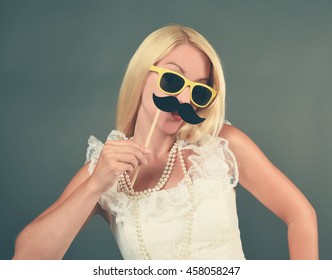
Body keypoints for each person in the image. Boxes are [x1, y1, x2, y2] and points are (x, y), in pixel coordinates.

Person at [12, 25, 318, 260]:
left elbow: (300, 215)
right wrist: (94, 185)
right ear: (142, 76)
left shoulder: (222, 148)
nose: (185, 99)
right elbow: (27, 259)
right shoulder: (106, 168)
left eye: (199, 91)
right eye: (172, 81)